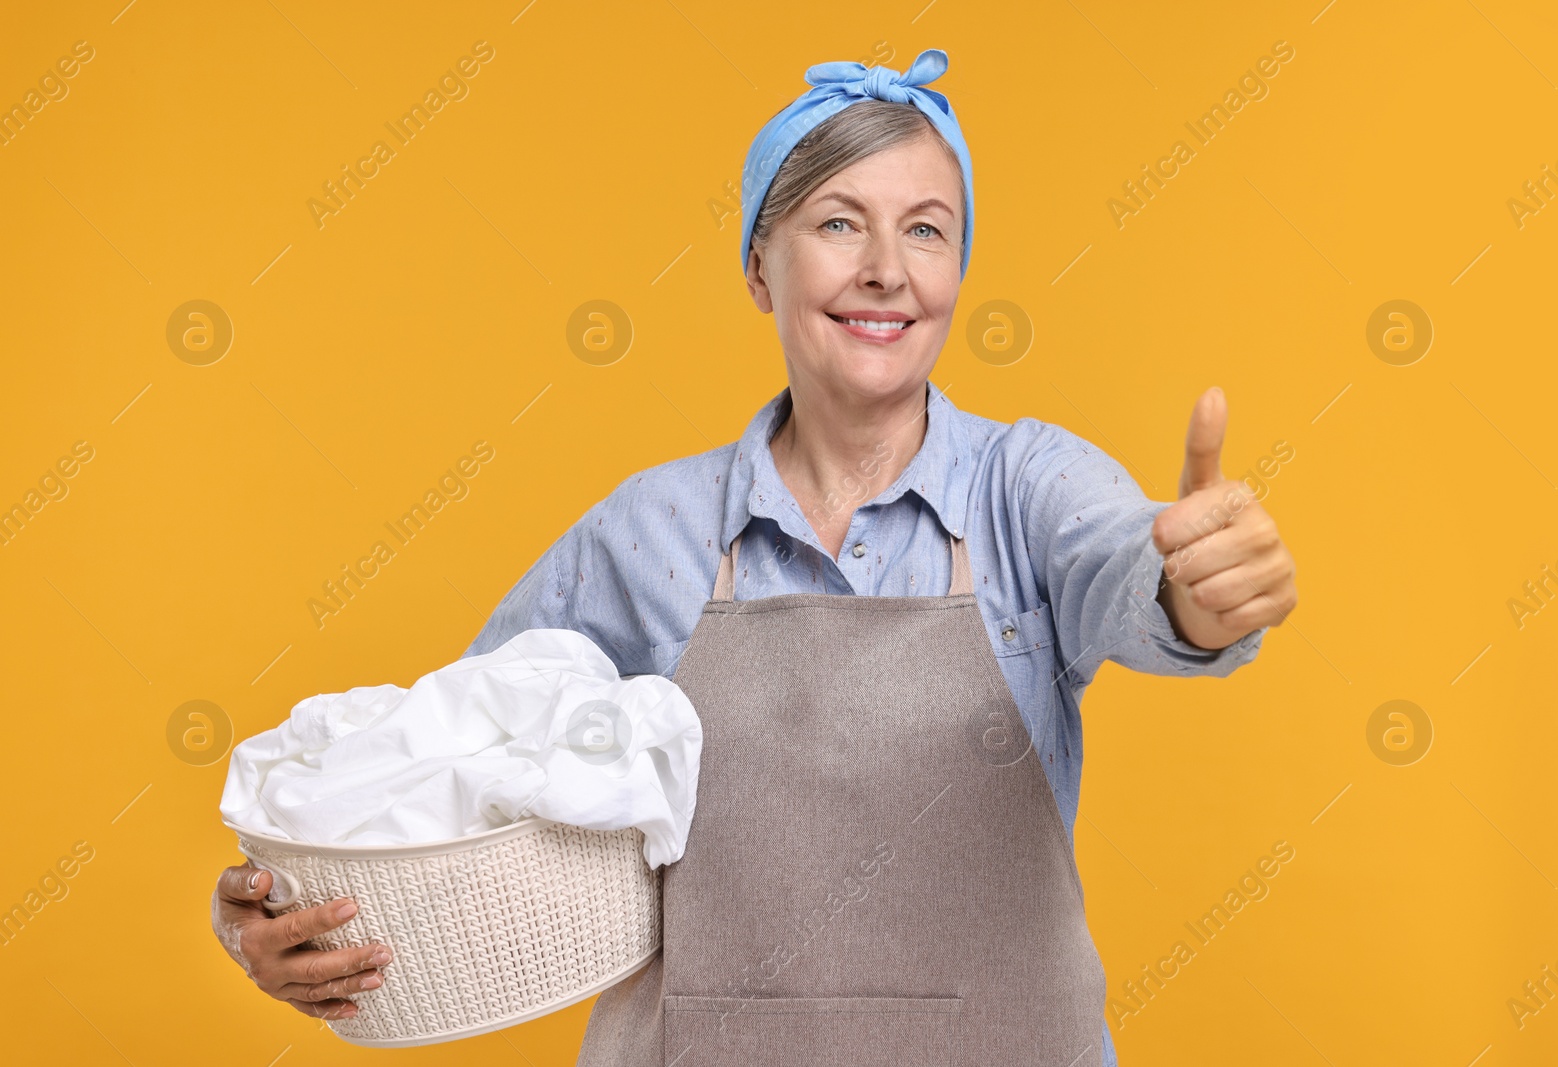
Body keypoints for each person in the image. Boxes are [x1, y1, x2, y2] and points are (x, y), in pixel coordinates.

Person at [210, 48, 1296, 1066]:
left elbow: (1130, 573)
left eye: (926, 230)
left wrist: (1195, 590)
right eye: (838, 222)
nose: (884, 271)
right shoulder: (650, 535)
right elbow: (432, 771)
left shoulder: (1025, 491)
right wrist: (264, 910)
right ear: (755, 268)